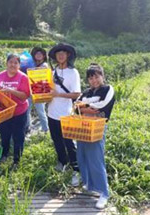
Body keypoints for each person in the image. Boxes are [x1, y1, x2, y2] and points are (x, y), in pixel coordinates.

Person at [74, 63, 115, 209]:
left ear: (102, 76)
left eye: (97, 76)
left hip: (97, 128)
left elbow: (103, 105)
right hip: (82, 128)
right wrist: (87, 108)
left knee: (96, 159)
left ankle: (104, 193)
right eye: (91, 78)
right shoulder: (86, 92)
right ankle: (89, 184)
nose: (94, 80)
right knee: (82, 156)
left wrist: (86, 107)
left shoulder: (107, 89)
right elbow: (76, 106)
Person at [47, 43, 81, 186]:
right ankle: (62, 161)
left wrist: (58, 94)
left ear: (68, 55)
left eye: (63, 53)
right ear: (55, 57)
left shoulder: (73, 72)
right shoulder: (52, 71)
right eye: (58, 53)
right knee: (57, 140)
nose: (60, 55)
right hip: (51, 113)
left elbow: (77, 93)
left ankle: (76, 170)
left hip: (66, 113)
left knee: (69, 143)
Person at [0, 54, 31, 168]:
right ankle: (4, 155)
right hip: (4, 112)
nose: (13, 65)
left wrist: (10, 91)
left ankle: (16, 160)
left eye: (16, 63)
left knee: (18, 136)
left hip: (19, 112)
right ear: (6, 63)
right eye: (11, 62)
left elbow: (24, 96)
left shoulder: (23, 77)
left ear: (19, 65)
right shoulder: (0, 76)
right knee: (4, 135)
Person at [25, 47, 49, 133]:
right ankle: (28, 128)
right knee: (27, 111)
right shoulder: (32, 64)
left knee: (41, 112)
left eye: (40, 54)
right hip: (29, 91)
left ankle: (45, 130)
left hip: (39, 92)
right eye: (37, 54)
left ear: (43, 56)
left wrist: (29, 69)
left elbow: (38, 72)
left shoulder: (44, 65)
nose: (38, 55)